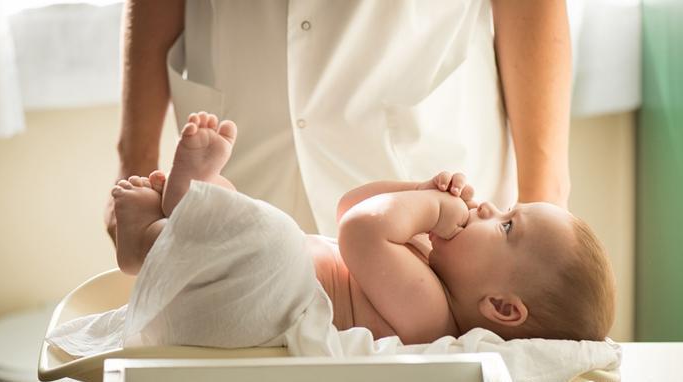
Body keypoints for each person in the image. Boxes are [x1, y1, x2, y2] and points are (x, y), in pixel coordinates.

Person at [112, 111, 615, 344]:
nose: (487, 210)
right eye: (504, 207)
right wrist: (419, 187)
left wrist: (428, 208)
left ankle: (147, 242)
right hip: (242, 287)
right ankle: (190, 206)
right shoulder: (423, 262)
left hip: (253, 307)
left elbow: (357, 231)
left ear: (502, 308)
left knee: (274, 239)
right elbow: (351, 205)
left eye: (506, 227)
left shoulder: (431, 316)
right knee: (253, 223)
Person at [106, 1, 573, 250]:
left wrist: (544, 201)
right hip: (243, 159)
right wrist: (134, 160)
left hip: (430, 176)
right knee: (181, 256)